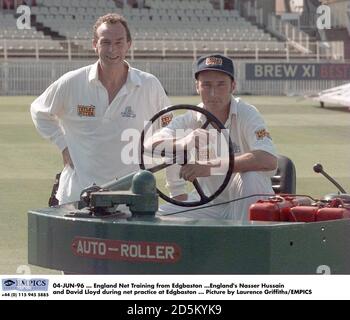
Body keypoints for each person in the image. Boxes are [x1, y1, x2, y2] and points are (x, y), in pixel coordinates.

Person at [31, 13, 171, 204]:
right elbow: (39, 111)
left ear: (129, 44)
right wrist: (63, 146)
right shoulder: (73, 82)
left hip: (129, 198)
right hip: (76, 196)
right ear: (94, 44)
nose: (112, 49)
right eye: (105, 42)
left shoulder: (149, 85)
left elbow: (169, 133)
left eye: (119, 42)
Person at [147, 54, 278, 221]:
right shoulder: (192, 117)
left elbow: (268, 159)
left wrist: (211, 166)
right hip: (210, 202)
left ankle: (247, 243)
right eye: (206, 85)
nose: (213, 92)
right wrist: (182, 142)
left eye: (221, 84)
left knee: (251, 177)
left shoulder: (247, 113)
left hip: (246, 199)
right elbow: (150, 144)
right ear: (197, 87)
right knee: (158, 218)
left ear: (233, 86)